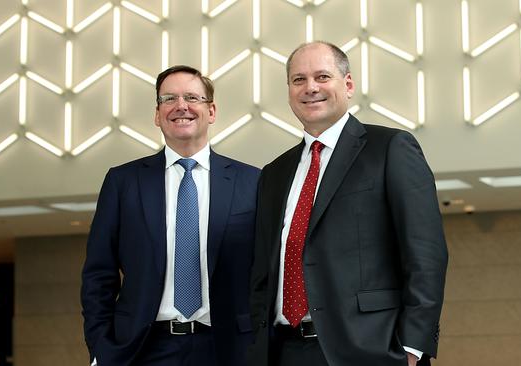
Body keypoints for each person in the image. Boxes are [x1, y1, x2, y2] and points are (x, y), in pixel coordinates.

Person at [248, 41, 448, 366]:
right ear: (289, 91)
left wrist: (413, 346)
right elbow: (262, 273)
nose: (310, 87)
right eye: (299, 80)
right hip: (285, 351)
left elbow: (425, 254)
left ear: (349, 84)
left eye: (322, 76)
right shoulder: (274, 173)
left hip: (372, 350)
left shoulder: (390, 149)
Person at [81, 65, 260, 366]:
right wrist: (101, 347)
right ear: (157, 114)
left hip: (228, 349)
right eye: (169, 99)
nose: (181, 106)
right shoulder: (123, 182)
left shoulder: (252, 182)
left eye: (192, 97)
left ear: (211, 111)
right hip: (143, 350)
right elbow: (99, 274)